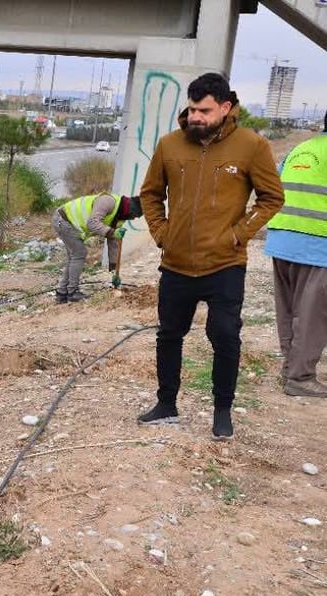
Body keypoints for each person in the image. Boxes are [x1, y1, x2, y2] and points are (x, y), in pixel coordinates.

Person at [138, 72, 284, 439]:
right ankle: (166, 404)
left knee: (225, 336)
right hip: (176, 264)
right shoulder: (170, 145)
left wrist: (239, 234)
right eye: (191, 110)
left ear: (225, 107)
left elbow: (272, 198)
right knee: (169, 334)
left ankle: (222, 411)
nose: (196, 118)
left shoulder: (252, 146)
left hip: (224, 265)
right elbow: (151, 194)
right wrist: (161, 232)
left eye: (204, 110)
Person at [264, 110, 327, 397]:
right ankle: (300, 378)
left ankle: (290, 368)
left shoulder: (299, 150)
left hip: (282, 240)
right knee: (313, 314)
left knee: (288, 311)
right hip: (317, 244)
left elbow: (274, 185)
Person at [52, 193, 143, 302]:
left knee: (74, 257)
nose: (133, 218)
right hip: (63, 219)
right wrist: (113, 232)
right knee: (79, 254)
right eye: (134, 215)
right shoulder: (108, 201)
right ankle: (72, 292)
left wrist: (114, 270)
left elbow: (113, 241)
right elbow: (92, 223)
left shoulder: (120, 217)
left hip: (68, 222)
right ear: (131, 209)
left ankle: (62, 293)